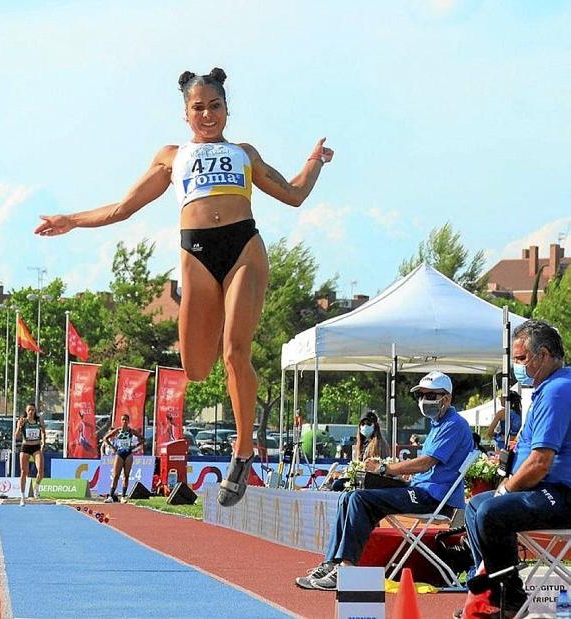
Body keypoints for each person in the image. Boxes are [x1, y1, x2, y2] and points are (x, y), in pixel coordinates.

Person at [34, 67, 333, 507]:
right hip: (196, 254)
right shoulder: (171, 157)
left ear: (227, 109)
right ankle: (224, 360)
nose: (208, 114)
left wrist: (314, 162)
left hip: (244, 247)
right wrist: (71, 220)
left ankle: (242, 452)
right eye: (199, 108)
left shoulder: (244, 154)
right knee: (195, 368)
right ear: (185, 113)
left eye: (215, 106)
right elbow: (122, 207)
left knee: (235, 351)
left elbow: (293, 194)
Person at [296, 371, 473, 590]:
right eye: (421, 396)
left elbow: (426, 463)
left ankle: (347, 569)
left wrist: (385, 468)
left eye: (430, 395)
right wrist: (397, 474)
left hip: (435, 498)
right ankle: (331, 563)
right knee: (348, 496)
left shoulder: (454, 424)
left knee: (360, 499)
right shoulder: (439, 423)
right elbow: (426, 468)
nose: (424, 401)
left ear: (446, 398)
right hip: (421, 491)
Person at [454, 320, 571, 619]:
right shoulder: (551, 388)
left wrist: (506, 488)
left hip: (562, 493)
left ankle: (508, 598)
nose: (517, 367)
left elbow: (540, 462)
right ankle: (498, 592)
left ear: (543, 355)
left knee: (492, 511)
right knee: (476, 505)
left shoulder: (558, 390)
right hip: (546, 488)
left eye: (521, 359)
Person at [101, 414, 145, 502]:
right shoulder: (118, 430)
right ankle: (111, 496)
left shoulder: (131, 431)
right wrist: (112, 447)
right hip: (119, 453)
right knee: (116, 476)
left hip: (128, 454)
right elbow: (105, 438)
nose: (124, 421)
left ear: (128, 421)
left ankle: (123, 497)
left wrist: (134, 447)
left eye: (126, 420)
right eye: (123, 419)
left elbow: (142, 439)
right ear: (121, 421)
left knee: (126, 476)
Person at [15, 404, 46, 506]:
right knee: (24, 472)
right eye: (29, 410)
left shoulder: (39, 421)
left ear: (35, 411)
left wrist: (43, 442)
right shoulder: (23, 421)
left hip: (36, 447)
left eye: (33, 410)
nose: (31, 412)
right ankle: (22, 497)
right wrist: (19, 427)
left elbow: (43, 432)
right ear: (26, 411)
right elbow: (16, 436)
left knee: (41, 470)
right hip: (25, 447)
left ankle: (36, 487)